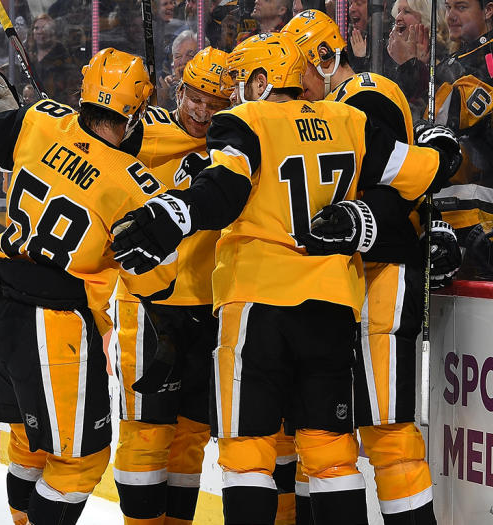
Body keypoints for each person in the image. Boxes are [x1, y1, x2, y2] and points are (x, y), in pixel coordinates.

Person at [110, 32, 456, 525]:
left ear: (258, 81)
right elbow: (421, 172)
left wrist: (172, 213)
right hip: (331, 307)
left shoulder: (246, 120)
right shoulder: (348, 120)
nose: (229, 97)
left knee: (249, 451)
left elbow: (223, 189)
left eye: (237, 83)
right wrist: (444, 151)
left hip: (258, 304)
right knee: (332, 452)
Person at [0, 46, 176, 525]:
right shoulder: (136, 186)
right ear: (135, 113)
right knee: (80, 462)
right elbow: (160, 280)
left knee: (29, 447)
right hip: (53, 325)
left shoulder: (38, 120)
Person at [283, 10, 460, 524]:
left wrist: (362, 217)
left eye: (300, 71)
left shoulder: (364, 93)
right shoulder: (322, 111)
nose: (294, 86)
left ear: (324, 57)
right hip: (340, 278)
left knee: (387, 428)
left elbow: (400, 182)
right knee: (323, 429)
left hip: (384, 270)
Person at [111, 46, 231, 525]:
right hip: (149, 306)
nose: (201, 111)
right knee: (147, 431)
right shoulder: (143, 130)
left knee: (191, 434)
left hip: (209, 304)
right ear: (179, 89)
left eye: (215, 103)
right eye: (195, 97)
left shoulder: (236, 143)